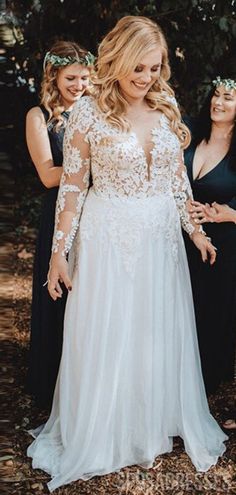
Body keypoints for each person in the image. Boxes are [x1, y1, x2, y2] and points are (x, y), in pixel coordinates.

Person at [27, 17, 227, 492]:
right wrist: (60, 254)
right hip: (108, 235)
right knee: (107, 327)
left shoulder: (166, 104)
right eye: (137, 67)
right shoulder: (87, 115)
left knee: (153, 329)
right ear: (115, 60)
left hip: (160, 239)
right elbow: (72, 189)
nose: (146, 78)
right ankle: (104, 428)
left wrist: (194, 230)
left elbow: (176, 182)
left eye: (155, 68)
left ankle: (147, 422)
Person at [26, 41, 94, 408]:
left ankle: (84, 381)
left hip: (96, 212)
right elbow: (48, 175)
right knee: (57, 294)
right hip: (60, 209)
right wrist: (93, 165)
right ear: (54, 75)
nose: (79, 85)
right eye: (71, 78)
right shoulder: (38, 116)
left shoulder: (98, 110)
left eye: (85, 77)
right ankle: (50, 386)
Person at [183, 76, 236, 396]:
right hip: (180, 238)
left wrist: (229, 213)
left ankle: (203, 387)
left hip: (223, 246)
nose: (218, 102)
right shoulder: (190, 132)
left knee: (212, 313)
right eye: (216, 95)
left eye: (228, 97)